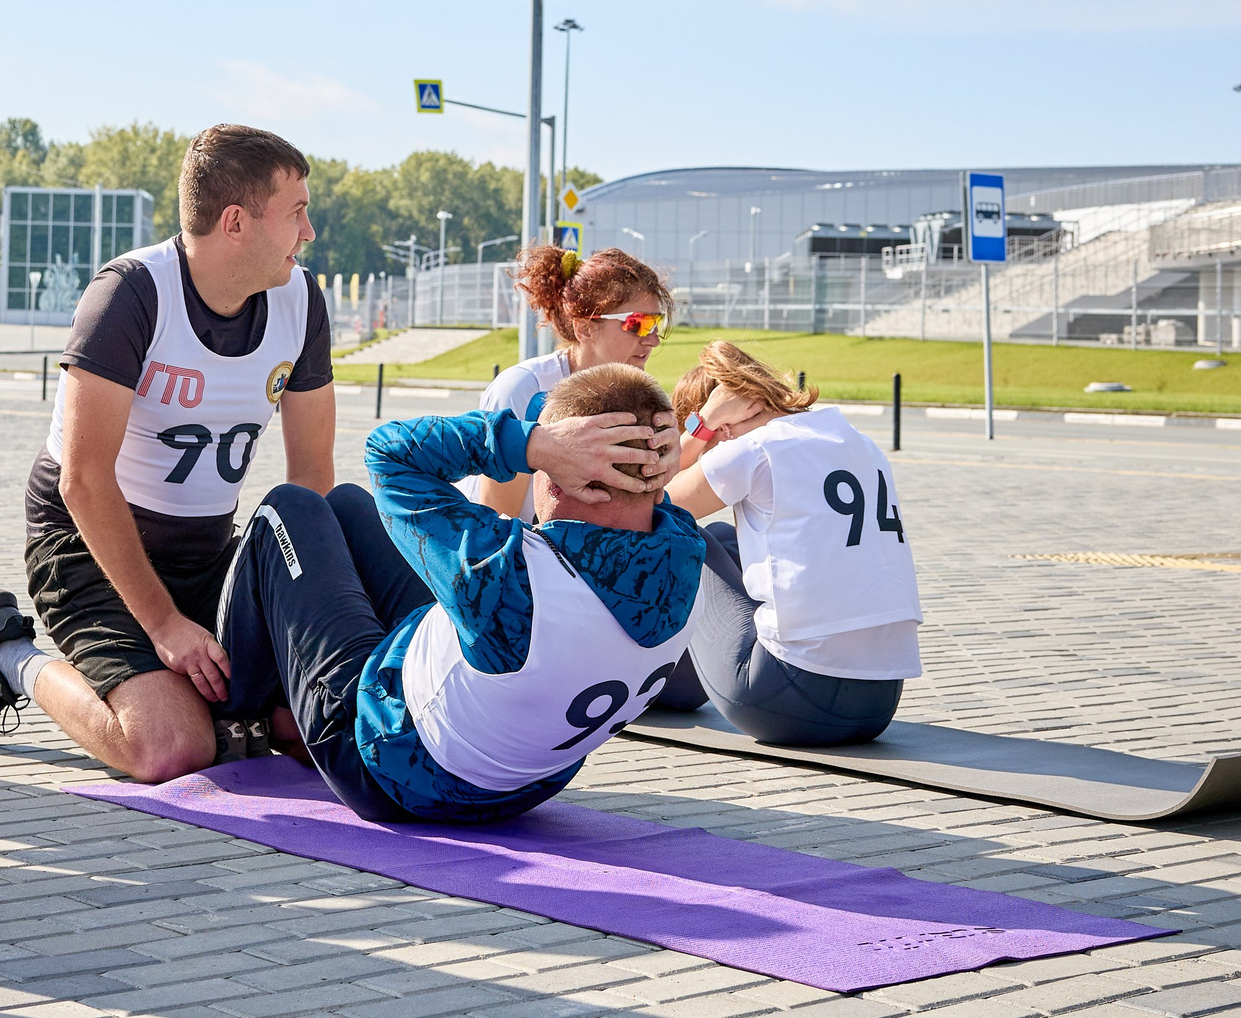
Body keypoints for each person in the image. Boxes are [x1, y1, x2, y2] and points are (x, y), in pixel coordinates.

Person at [0, 125, 336, 781]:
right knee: (168, 746)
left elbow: (314, 478)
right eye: (297, 212)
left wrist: (308, 624)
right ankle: (6, 652)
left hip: (207, 555)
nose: (310, 231)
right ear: (236, 221)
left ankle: (230, 717)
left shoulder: (301, 301)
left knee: (314, 721)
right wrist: (165, 624)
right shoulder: (130, 294)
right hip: (89, 545)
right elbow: (83, 481)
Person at [215, 363, 695, 821]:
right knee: (347, 505)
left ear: (563, 479)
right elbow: (643, 506)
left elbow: (389, 450)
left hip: (388, 772)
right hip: (524, 786)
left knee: (290, 506)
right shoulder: (686, 552)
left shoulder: (505, 570)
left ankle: (231, 707)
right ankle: (286, 703)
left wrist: (530, 445)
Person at [660, 341, 921, 747]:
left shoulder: (754, 447)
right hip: (879, 705)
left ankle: (660, 682)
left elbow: (652, 503)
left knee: (681, 533)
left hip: (786, 700)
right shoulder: (857, 441)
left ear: (728, 421)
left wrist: (701, 425)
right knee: (728, 538)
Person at [471, 244, 674, 518]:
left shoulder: (635, 392)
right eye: (638, 323)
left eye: (656, 324)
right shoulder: (523, 389)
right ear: (585, 328)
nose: (652, 340)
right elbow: (497, 518)